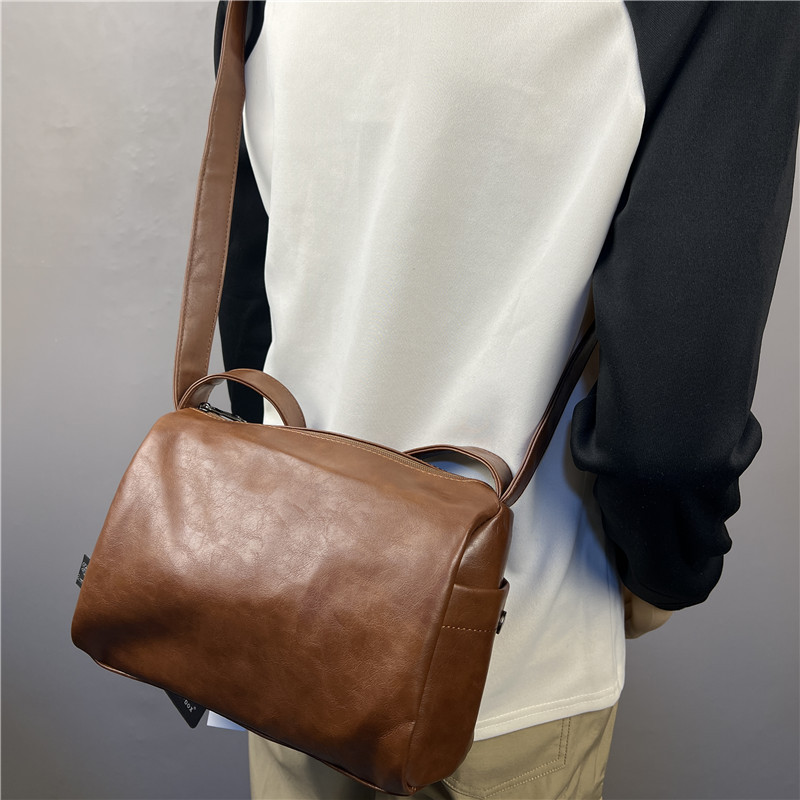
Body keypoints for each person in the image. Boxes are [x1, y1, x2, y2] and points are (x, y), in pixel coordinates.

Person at [212, 2, 800, 798]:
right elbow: (672, 422)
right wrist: (663, 573)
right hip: (518, 652)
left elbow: (249, 288)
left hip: (290, 614)